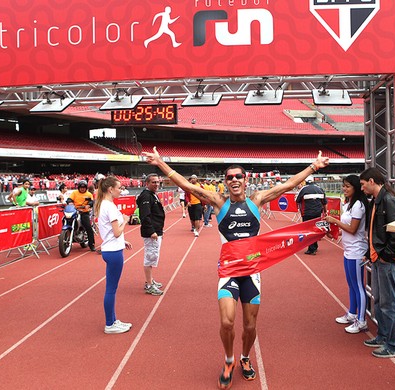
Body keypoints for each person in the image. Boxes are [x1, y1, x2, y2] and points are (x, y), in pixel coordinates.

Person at [142, 146, 329, 389]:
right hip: (228, 271)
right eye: (229, 177)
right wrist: (160, 163)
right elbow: (188, 187)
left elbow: (287, 185)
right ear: (225, 182)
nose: (234, 180)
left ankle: (245, 357)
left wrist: (313, 167)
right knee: (227, 322)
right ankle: (229, 360)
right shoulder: (219, 203)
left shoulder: (257, 201)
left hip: (252, 272)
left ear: (245, 179)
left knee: (250, 326)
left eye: (238, 176)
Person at [359, 167, 395, 358]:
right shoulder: (377, 201)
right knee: (379, 300)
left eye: (362, 184)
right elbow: (375, 231)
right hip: (379, 258)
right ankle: (384, 336)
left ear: (371, 181)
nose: (362, 189)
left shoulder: (388, 200)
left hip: (385, 259)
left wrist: (385, 255)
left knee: (388, 302)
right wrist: (371, 254)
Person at [326, 175, 369, 334]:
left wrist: (335, 221)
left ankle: (362, 320)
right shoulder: (349, 204)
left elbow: (352, 229)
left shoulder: (358, 205)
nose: (344, 189)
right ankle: (352, 313)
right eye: (343, 186)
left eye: (347, 186)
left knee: (358, 285)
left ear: (356, 188)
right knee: (351, 284)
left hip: (357, 250)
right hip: (349, 249)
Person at [94, 176, 133, 334]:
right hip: (113, 252)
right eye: (119, 188)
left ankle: (113, 320)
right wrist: (125, 220)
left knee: (112, 289)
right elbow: (117, 232)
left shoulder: (105, 205)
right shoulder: (109, 207)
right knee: (111, 290)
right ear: (110, 189)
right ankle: (110, 324)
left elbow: (111, 233)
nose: (121, 190)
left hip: (111, 248)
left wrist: (123, 241)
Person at [136, 173, 166, 296]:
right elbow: (145, 216)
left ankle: (150, 280)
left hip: (156, 230)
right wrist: (152, 231)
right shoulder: (146, 196)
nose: (156, 184)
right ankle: (149, 285)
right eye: (153, 182)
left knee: (153, 257)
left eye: (158, 182)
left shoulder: (152, 195)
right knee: (150, 257)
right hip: (151, 232)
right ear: (147, 183)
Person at [295, 175, 327, 255]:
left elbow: (297, 200)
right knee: (315, 229)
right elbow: (324, 202)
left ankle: (312, 249)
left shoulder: (304, 189)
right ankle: (314, 246)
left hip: (307, 213)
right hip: (317, 213)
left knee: (308, 231)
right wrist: (325, 212)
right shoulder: (320, 189)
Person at [68, 180, 96, 252]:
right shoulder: (74, 193)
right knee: (66, 219)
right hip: (74, 211)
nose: (82, 188)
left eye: (84, 187)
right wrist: (70, 202)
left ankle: (91, 244)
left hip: (84, 212)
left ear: (86, 188)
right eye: (81, 187)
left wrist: (88, 205)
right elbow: (69, 199)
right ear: (78, 187)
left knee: (88, 228)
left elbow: (91, 202)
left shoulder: (89, 194)